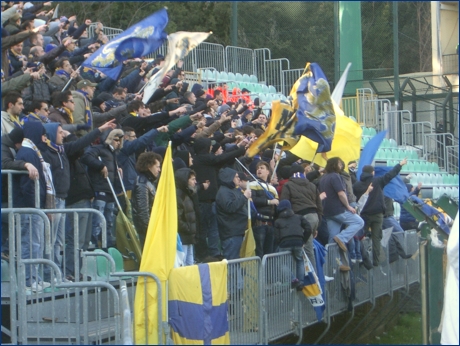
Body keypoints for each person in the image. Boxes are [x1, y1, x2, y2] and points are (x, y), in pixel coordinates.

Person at [352, 159, 407, 267]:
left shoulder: (357, 186)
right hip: (377, 215)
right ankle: (376, 262)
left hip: (363, 216)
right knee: (376, 238)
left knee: (360, 237)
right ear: (372, 172)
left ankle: (362, 259)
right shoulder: (377, 181)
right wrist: (400, 164)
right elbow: (390, 174)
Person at [81, 128, 124, 248]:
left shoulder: (114, 153)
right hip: (100, 189)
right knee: (98, 222)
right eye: (115, 139)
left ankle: (107, 246)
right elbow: (86, 157)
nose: (118, 142)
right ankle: (93, 245)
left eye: (120, 140)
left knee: (109, 221)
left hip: (110, 191)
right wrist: (100, 166)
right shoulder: (98, 149)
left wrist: (118, 168)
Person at [319, 157, 364, 263]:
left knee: (331, 239)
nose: (341, 165)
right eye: (339, 163)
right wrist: (348, 206)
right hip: (338, 209)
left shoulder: (323, 178)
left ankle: (329, 265)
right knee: (359, 222)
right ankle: (341, 238)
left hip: (328, 211)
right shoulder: (335, 176)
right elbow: (341, 193)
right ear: (334, 165)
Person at [280, 164, 322, 273]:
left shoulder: (288, 185)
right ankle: (306, 276)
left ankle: (313, 279)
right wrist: (317, 225)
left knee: (307, 249)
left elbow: (285, 205)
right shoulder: (312, 185)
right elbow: (319, 205)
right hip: (314, 216)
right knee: (306, 247)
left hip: (302, 218)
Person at [274, 200, 312, 291]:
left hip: (285, 243)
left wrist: (280, 242)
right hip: (298, 241)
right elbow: (308, 228)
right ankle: (301, 282)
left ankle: (293, 280)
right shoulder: (299, 217)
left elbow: (276, 236)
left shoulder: (278, 221)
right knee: (300, 261)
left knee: (282, 263)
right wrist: (303, 241)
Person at [215, 168, 252, 260]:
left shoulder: (233, 190)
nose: (238, 179)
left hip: (238, 231)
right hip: (231, 233)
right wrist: (244, 197)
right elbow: (230, 207)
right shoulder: (223, 192)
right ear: (229, 178)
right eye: (236, 177)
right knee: (233, 262)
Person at [248, 161, 279, 258]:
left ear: (268, 172)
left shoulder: (272, 188)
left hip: (271, 223)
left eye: (262, 168)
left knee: (269, 253)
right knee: (259, 252)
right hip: (259, 222)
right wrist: (269, 202)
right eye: (258, 168)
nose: (259, 170)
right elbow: (253, 200)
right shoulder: (252, 184)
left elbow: (277, 203)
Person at [131, 152, 162, 248]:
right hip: (146, 231)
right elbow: (143, 210)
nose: (159, 170)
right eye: (157, 167)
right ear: (149, 166)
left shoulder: (148, 182)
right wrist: (151, 230)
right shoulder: (142, 183)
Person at [175, 168, 199, 266]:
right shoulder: (178, 195)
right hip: (183, 237)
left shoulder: (187, 194)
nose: (195, 182)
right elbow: (178, 218)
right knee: (184, 265)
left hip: (189, 236)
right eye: (192, 179)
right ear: (185, 180)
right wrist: (187, 228)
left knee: (190, 265)